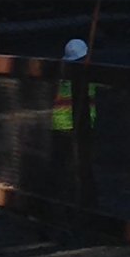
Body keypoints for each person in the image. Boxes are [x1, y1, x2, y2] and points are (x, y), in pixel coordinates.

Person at [50, 38, 97, 207]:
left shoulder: (61, 72)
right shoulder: (83, 74)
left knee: (62, 165)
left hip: (59, 124)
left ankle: (63, 200)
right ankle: (83, 203)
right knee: (80, 166)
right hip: (76, 125)